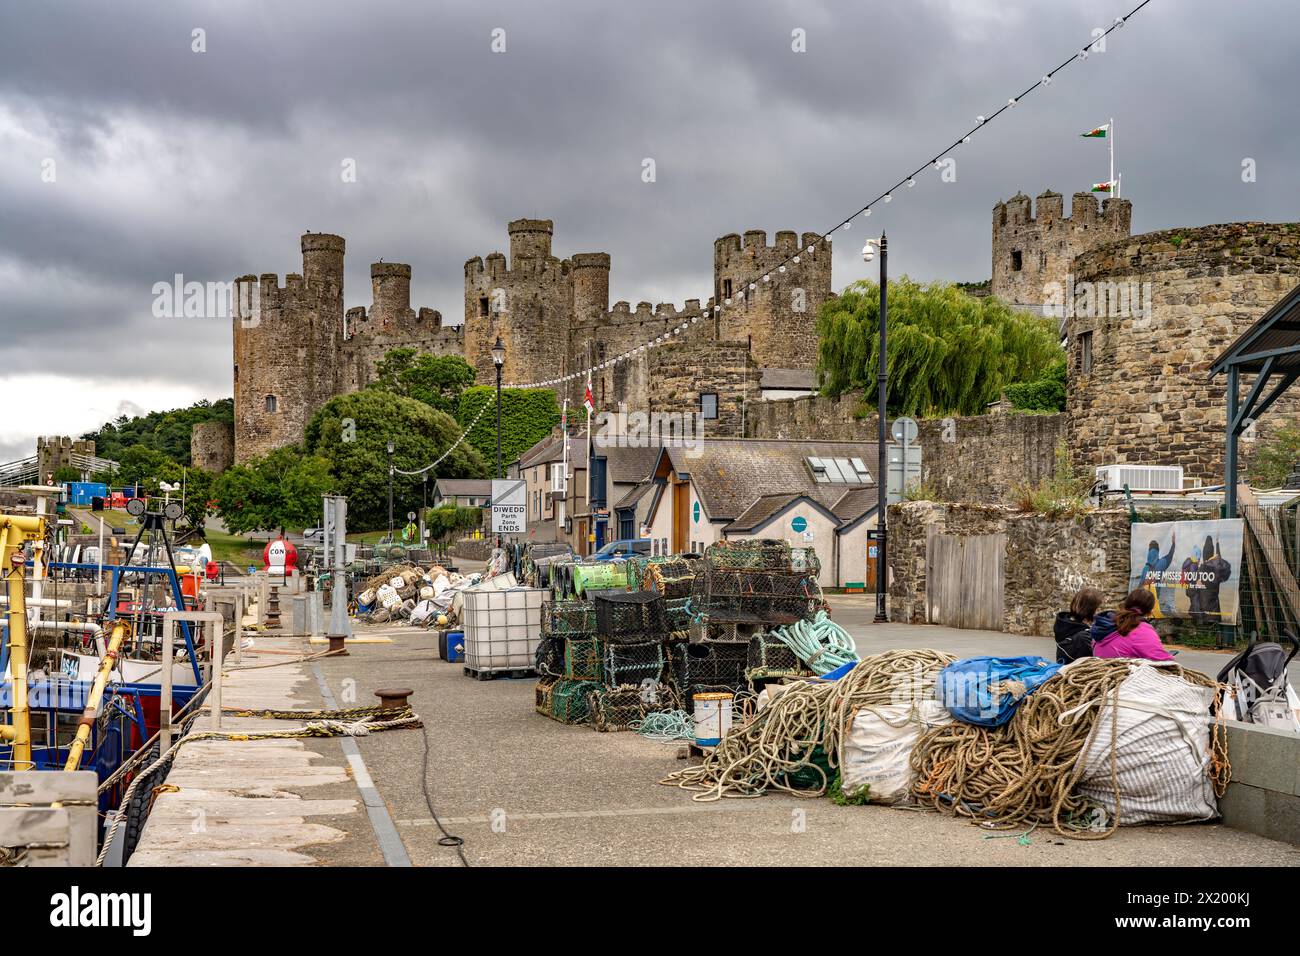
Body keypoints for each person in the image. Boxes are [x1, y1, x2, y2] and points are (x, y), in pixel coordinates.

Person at [1092, 588, 1175, 661]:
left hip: (1101, 673)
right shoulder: (1141, 629)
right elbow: (1163, 660)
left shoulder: (1106, 622)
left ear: (1126, 604)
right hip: (1124, 675)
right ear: (1150, 612)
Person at [1053, 587, 1102, 664]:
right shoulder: (1084, 637)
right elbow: (1096, 663)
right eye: (1097, 609)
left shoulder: (1064, 624)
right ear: (1089, 610)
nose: (1098, 612)